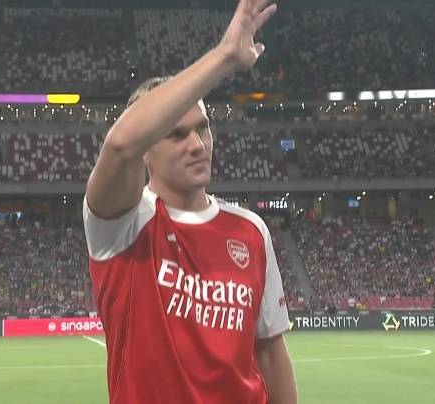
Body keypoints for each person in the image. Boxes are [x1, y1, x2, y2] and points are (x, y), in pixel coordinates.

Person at [82, 1, 297, 403]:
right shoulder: (122, 226)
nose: (197, 145)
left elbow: (269, 351)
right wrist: (225, 56)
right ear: (147, 150)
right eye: (176, 134)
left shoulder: (250, 230)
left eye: (203, 129)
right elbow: (121, 146)